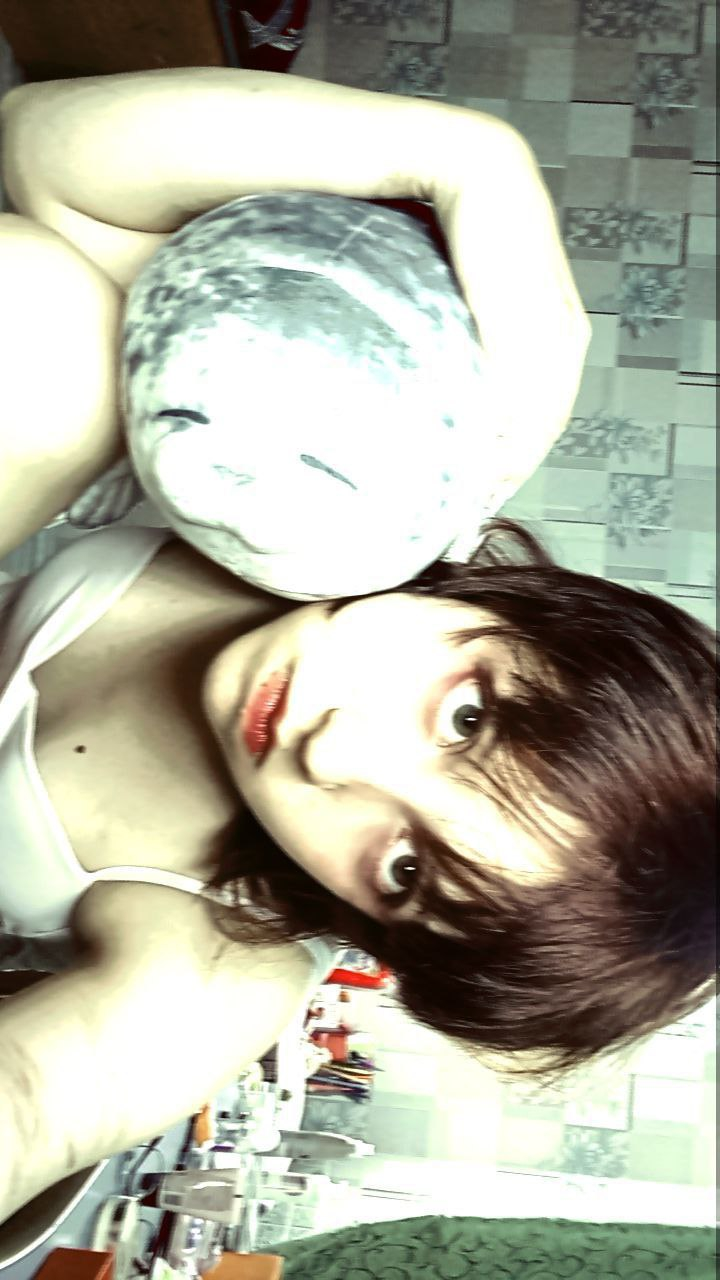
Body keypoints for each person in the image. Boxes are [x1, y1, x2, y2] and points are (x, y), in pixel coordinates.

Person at [0, 70, 714, 1228]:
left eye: (403, 870)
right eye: (468, 717)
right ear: (536, 615)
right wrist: (470, 161)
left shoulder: (223, 956)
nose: (333, 755)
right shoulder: (322, 498)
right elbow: (47, 153)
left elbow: (32, 1099)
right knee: (47, 317)